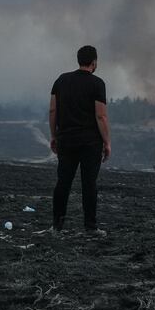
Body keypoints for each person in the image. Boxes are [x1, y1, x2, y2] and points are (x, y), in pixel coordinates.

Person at [49, 45, 110, 234]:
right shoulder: (97, 83)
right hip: (90, 143)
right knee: (89, 184)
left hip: (66, 140)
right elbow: (100, 116)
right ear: (94, 62)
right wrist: (107, 142)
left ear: (78, 60)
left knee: (63, 182)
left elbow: (53, 111)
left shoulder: (61, 81)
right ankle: (90, 227)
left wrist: (53, 136)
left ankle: (57, 226)